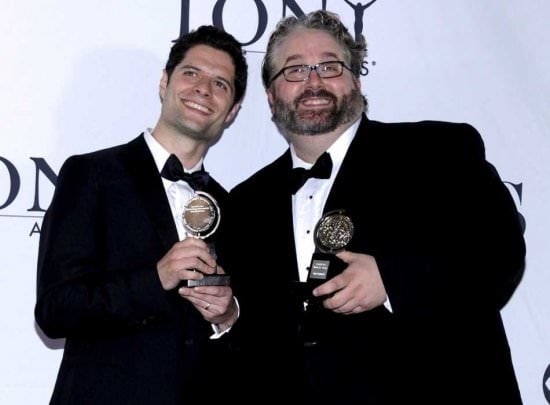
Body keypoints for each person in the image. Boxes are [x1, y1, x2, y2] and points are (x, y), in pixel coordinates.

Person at [216, 10, 525, 405]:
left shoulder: (437, 152)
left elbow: (499, 253)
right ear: (272, 96)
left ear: (356, 82)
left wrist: (392, 281)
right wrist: (228, 318)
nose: (313, 81)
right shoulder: (245, 203)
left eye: (330, 66)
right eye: (294, 70)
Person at [34, 25, 246, 404]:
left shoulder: (234, 208)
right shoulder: (93, 175)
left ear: (231, 112)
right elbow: (56, 310)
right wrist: (155, 278)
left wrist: (227, 317)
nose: (203, 89)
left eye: (220, 84)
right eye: (191, 73)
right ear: (164, 82)